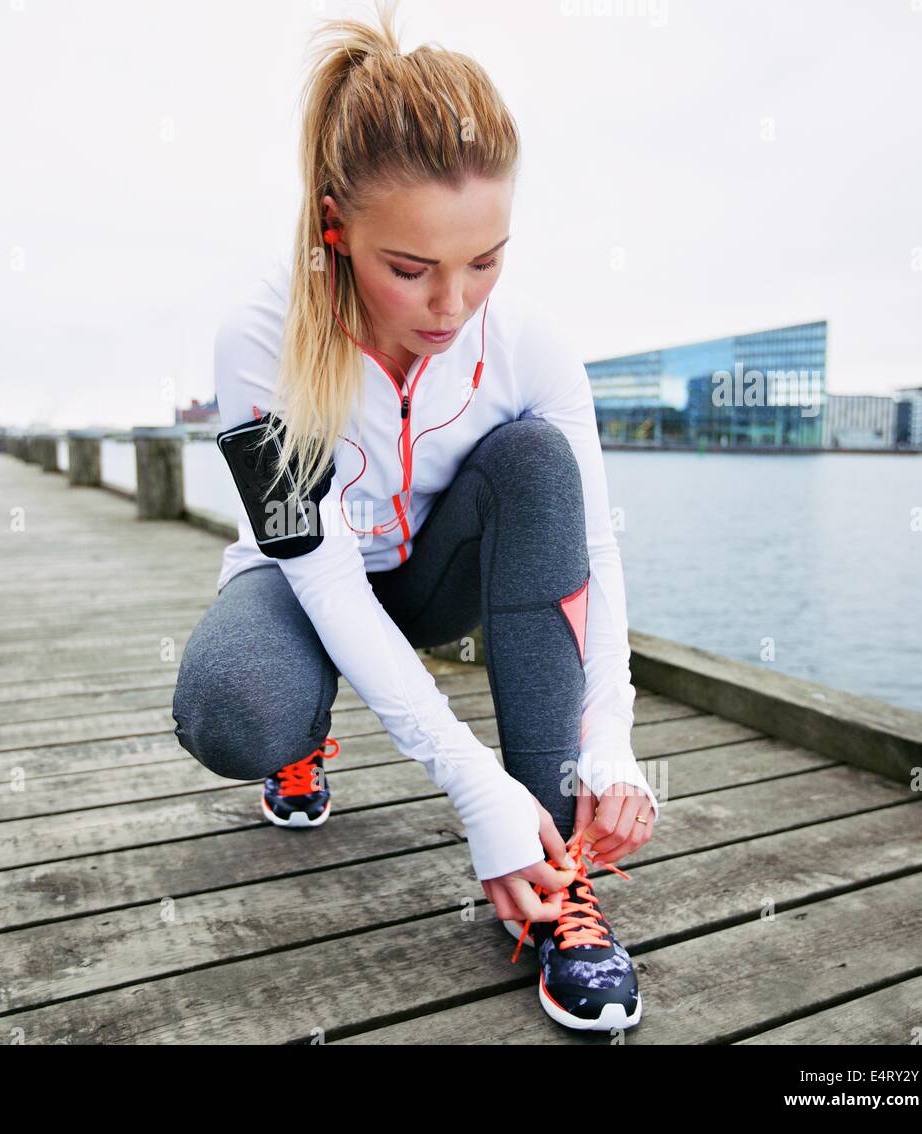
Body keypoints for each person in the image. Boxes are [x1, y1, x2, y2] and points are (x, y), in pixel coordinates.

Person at [172, 0, 660, 1032]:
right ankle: (299, 736)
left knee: (536, 462)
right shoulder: (256, 342)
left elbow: (591, 547)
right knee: (232, 709)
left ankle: (556, 878)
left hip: (434, 583)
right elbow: (319, 571)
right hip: (304, 587)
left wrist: (607, 740)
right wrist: (468, 789)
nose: (452, 304)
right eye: (411, 268)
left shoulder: (527, 341)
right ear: (335, 228)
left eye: (484, 259)